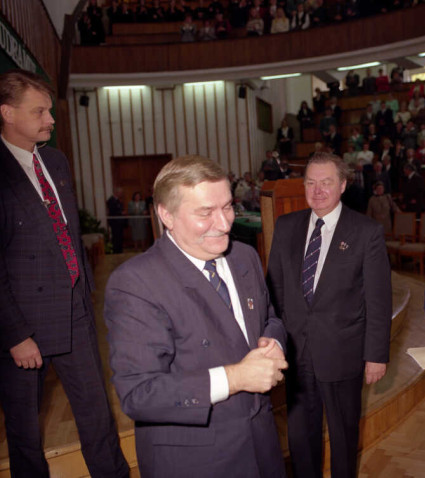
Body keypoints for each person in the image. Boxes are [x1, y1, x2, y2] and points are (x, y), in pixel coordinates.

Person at [105, 156, 288, 478]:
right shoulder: (135, 282)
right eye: (205, 212)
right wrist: (236, 378)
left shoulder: (243, 256)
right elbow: (139, 395)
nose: (225, 223)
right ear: (166, 215)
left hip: (261, 444)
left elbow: (270, 317)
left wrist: (272, 340)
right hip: (196, 459)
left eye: (228, 207)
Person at [0, 69, 128, 477]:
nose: (50, 120)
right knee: (24, 434)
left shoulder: (55, 160)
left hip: (74, 312)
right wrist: (16, 334)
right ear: (6, 112)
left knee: (98, 419)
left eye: (49, 111)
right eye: (39, 112)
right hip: (22, 328)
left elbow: (66, 235)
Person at [267, 153, 392, 478]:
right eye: (311, 182)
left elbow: (378, 300)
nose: (318, 190)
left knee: (343, 436)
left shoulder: (366, 232)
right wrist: (274, 339)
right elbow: (275, 290)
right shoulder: (286, 226)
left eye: (326, 182)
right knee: (299, 437)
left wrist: (376, 355)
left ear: (343, 185)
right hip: (296, 352)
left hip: (342, 352)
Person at [107, 187, 126, 253]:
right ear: (116, 192)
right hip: (115, 222)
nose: (121, 194)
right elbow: (112, 211)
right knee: (116, 237)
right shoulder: (111, 200)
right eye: (120, 192)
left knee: (120, 237)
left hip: (119, 222)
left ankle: (120, 250)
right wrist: (121, 212)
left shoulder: (118, 200)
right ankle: (116, 250)